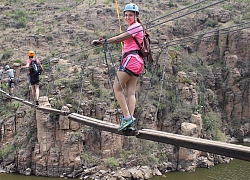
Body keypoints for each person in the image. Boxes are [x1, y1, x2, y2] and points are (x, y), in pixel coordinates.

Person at [92, 3, 144, 131]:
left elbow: (120, 38)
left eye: (130, 15)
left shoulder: (135, 27)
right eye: (126, 15)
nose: (127, 17)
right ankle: (130, 121)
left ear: (136, 16)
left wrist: (104, 41)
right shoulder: (137, 27)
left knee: (117, 88)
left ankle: (127, 118)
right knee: (130, 92)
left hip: (131, 60)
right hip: (138, 62)